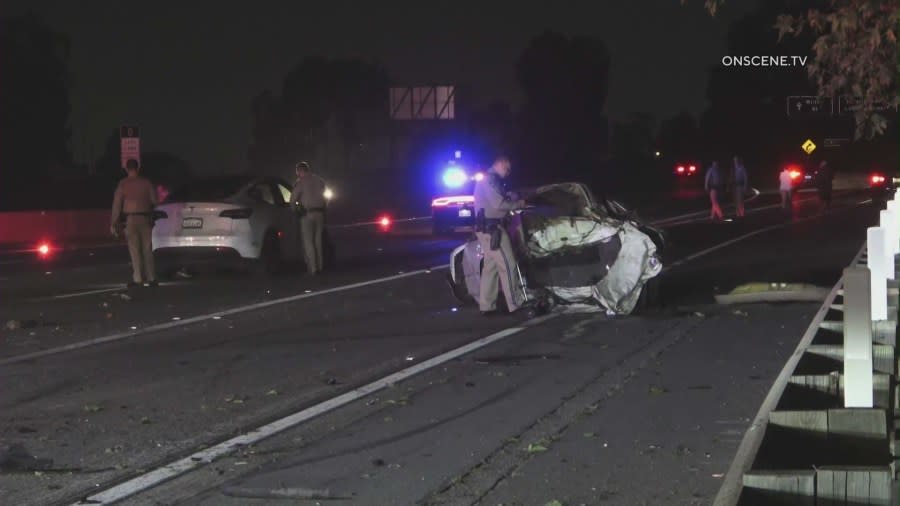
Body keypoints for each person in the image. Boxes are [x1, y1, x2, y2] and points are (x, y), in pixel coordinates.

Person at [473, 155, 528, 315]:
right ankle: (515, 303)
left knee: (491, 268)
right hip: (493, 230)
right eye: (507, 168)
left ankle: (487, 306)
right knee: (508, 265)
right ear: (500, 164)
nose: (508, 172)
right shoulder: (491, 180)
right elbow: (498, 204)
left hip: (486, 229)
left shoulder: (487, 179)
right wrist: (519, 204)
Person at [111, 159, 158, 287]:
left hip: (130, 219)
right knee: (147, 249)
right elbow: (155, 201)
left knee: (134, 250)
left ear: (126, 169)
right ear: (138, 168)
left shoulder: (123, 184)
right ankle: (151, 278)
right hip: (145, 218)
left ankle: (138, 279)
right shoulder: (146, 183)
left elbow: (117, 205)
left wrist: (114, 222)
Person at [290, 161, 327, 275]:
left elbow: (293, 199)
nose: (297, 174)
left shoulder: (300, 182)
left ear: (300, 170)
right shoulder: (320, 181)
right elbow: (326, 197)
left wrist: (294, 210)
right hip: (320, 213)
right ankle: (320, 266)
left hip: (307, 214)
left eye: (297, 171)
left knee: (308, 242)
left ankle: (313, 268)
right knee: (318, 241)